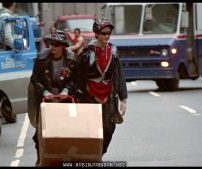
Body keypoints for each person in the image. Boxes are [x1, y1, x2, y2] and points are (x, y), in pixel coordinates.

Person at [74, 18, 128, 156]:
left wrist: (123, 98)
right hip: (89, 95)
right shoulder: (87, 52)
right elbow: (78, 76)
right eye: (103, 33)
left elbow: (118, 73)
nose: (107, 36)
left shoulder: (114, 51)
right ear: (96, 34)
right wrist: (78, 97)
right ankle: (89, 155)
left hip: (108, 95)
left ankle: (99, 154)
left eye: (109, 33)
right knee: (90, 129)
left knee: (109, 128)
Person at [27, 30, 77, 166]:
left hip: (64, 99)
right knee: (40, 132)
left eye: (56, 44)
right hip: (45, 98)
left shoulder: (72, 59)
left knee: (66, 130)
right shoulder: (42, 58)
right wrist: (44, 92)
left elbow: (76, 79)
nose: (52, 47)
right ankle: (40, 159)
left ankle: (65, 159)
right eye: (50, 43)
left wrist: (67, 90)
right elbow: (35, 79)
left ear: (63, 46)